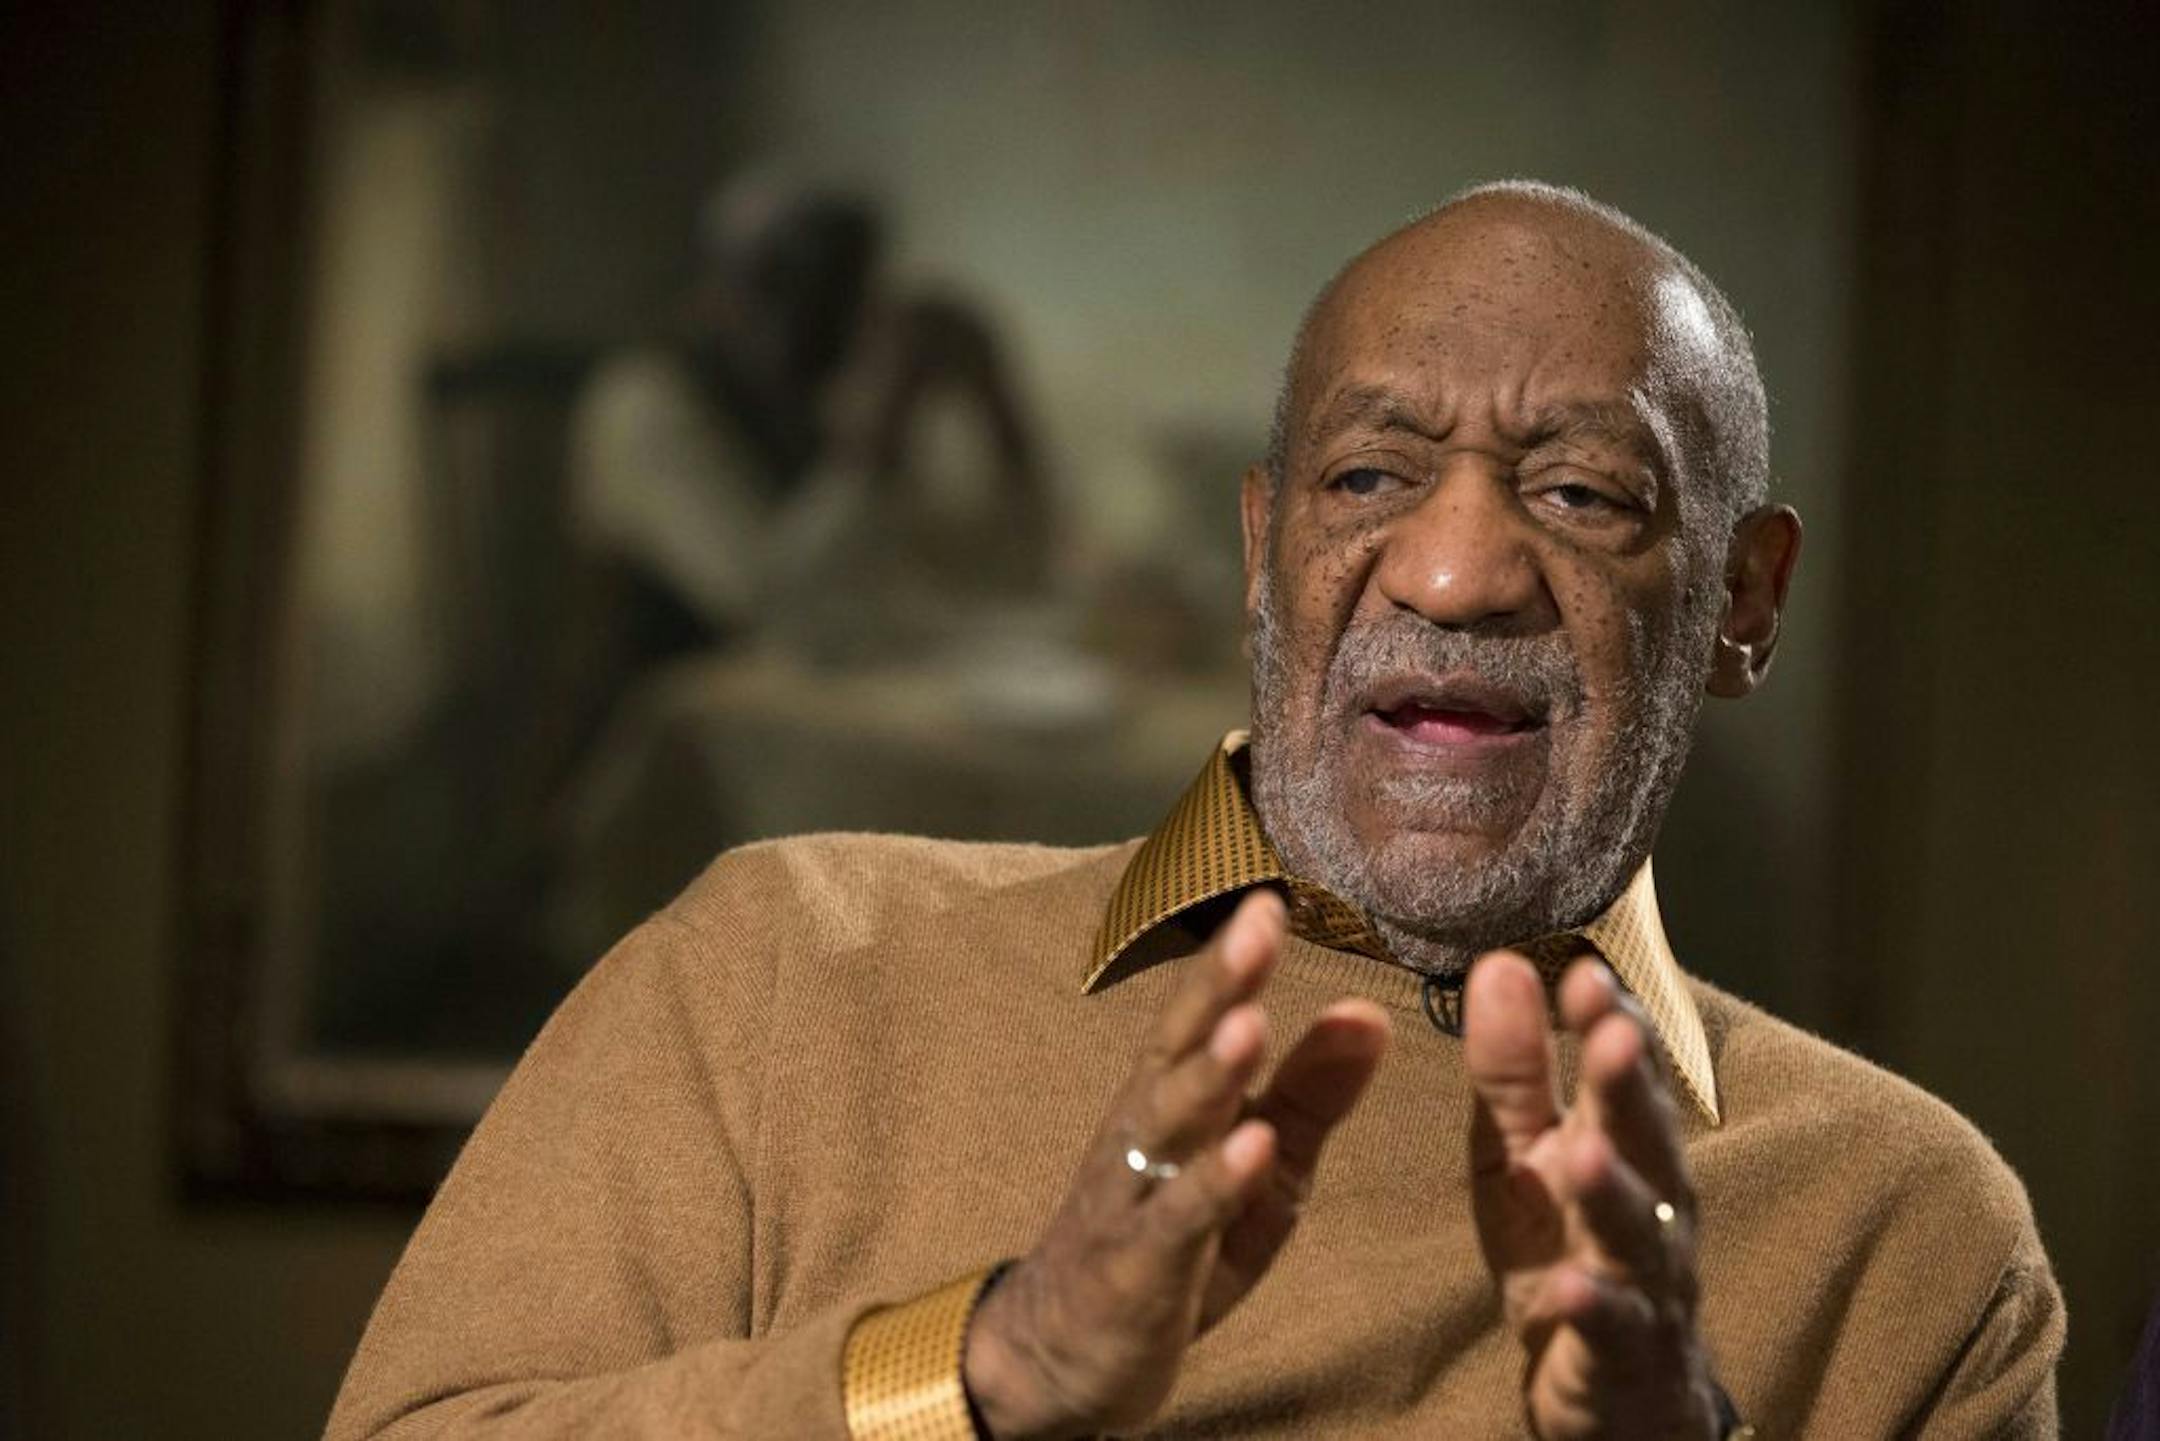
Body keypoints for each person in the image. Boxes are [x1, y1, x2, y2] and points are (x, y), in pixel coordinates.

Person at [327, 181, 2062, 1439]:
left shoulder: (1911, 1236)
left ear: (1745, 601)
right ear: (1262, 551)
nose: (1455, 570)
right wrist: (986, 1368)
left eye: (1586, 493)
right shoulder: (775, 969)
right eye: (1369, 475)